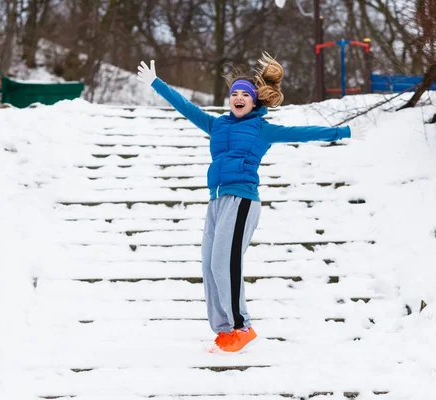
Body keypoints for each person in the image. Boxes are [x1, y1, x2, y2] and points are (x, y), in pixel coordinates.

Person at [136, 53, 351, 353]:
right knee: (210, 265)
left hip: (242, 200)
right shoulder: (217, 125)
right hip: (216, 201)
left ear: (254, 102)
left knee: (226, 261)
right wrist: (157, 84)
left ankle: (243, 326)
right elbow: (185, 107)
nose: (237, 98)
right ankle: (225, 330)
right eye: (233, 94)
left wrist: (342, 131)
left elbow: (302, 133)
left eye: (244, 95)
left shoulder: (261, 128)